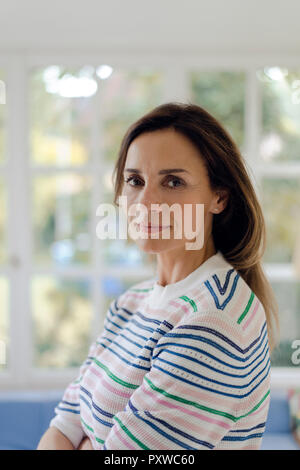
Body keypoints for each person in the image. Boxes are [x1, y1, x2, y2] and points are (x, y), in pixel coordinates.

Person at [37, 102, 279, 450]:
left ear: (219, 197)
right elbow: (63, 425)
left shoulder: (217, 319)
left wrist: (89, 442)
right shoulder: (131, 303)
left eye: (173, 181)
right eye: (135, 180)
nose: (146, 202)